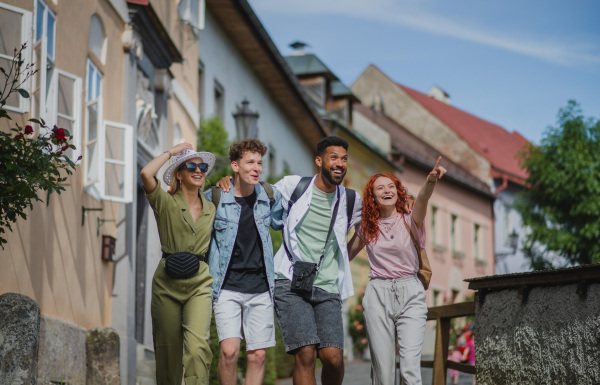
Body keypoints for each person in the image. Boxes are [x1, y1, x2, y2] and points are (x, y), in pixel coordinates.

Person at [217, 136, 362, 385]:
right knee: (305, 354)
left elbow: (366, 228)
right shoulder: (294, 186)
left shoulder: (350, 199)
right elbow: (260, 190)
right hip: (290, 281)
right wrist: (230, 179)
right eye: (334, 157)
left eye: (344, 159)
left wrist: (343, 258)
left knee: (333, 358)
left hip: (328, 285)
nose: (340, 163)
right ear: (319, 160)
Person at [347, 157, 446, 385]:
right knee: (383, 372)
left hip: (410, 291)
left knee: (410, 369)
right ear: (372, 197)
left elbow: (422, 199)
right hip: (378, 293)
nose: (387, 190)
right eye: (380, 188)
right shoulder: (366, 227)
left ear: (398, 191)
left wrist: (431, 181)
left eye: (391, 186)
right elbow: (345, 254)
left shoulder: (411, 220)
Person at [204, 139, 283, 385]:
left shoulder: (269, 196)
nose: (256, 168)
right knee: (229, 352)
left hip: (260, 287)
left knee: (258, 356)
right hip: (226, 286)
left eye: (259, 163)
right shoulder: (215, 197)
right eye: (250, 162)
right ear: (235, 166)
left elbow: (288, 223)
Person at [140, 142, 216, 385]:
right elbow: (145, 173)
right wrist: (171, 153)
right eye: (191, 165)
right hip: (166, 285)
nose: (198, 169)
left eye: (202, 166)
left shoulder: (212, 208)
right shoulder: (165, 202)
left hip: (199, 284)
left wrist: (226, 180)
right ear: (179, 174)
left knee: (197, 349)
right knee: (167, 353)